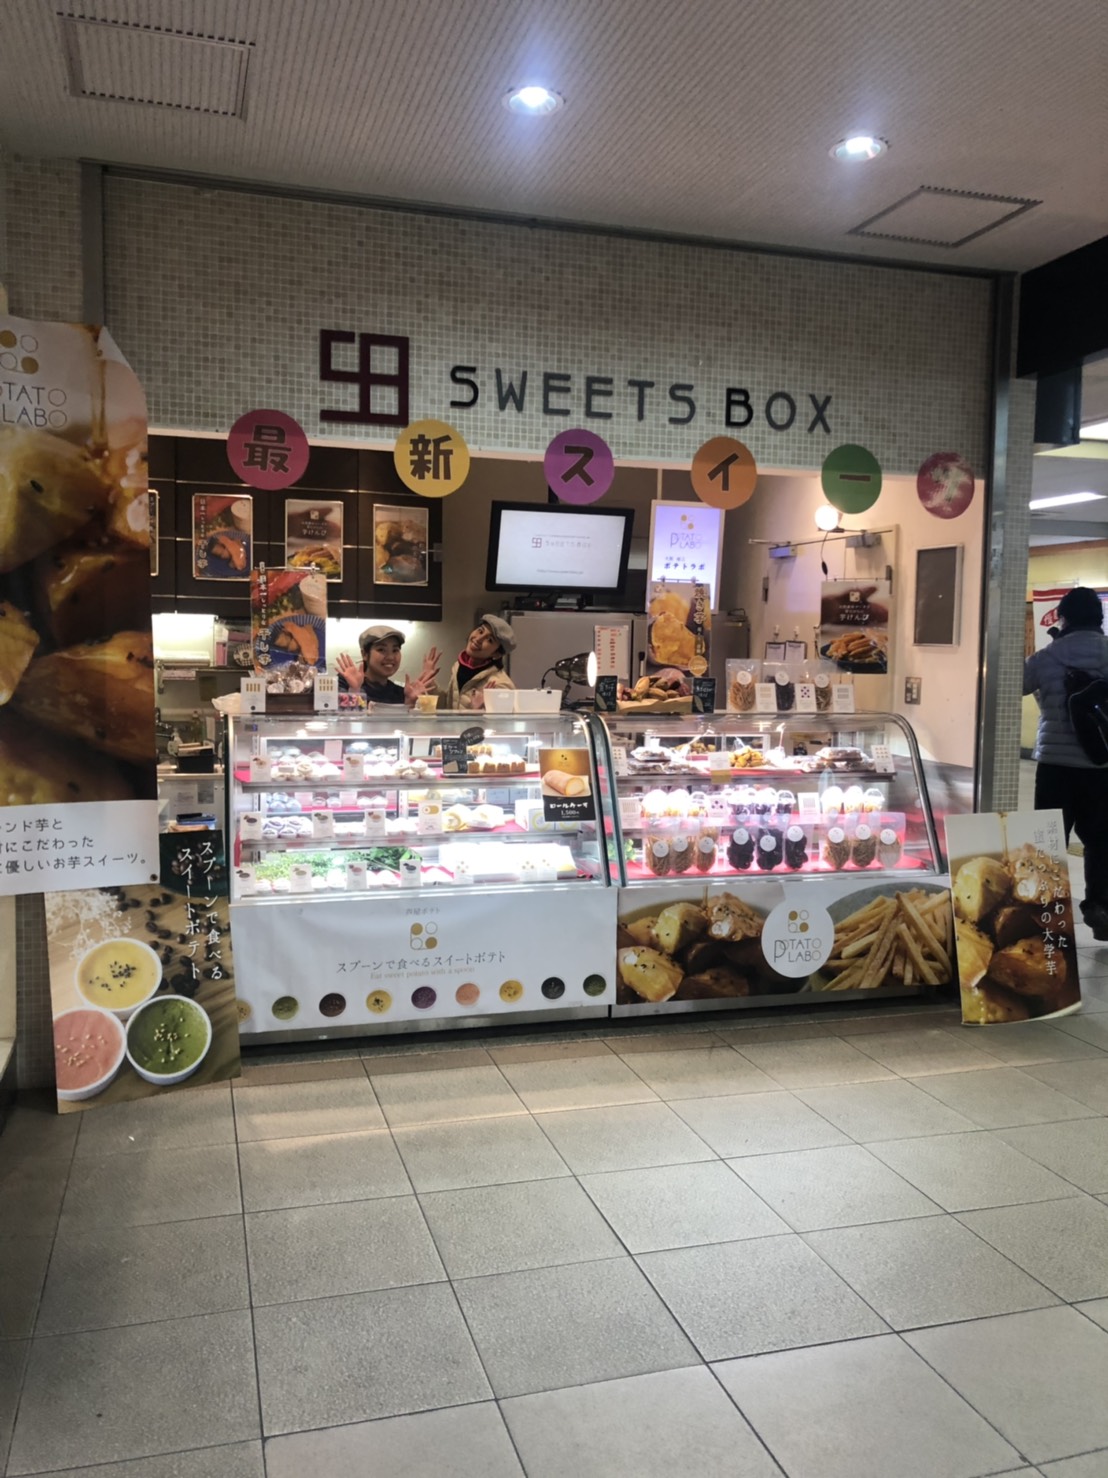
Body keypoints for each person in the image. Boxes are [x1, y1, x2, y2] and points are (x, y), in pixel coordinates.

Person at [1023, 586, 1108, 939]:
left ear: (1064, 617)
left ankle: (1047, 920)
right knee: (1101, 841)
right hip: (1101, 766)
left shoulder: (1047, 657)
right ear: (1099, 618)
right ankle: (1100, 907)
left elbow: (1014, 684)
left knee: (1048, 843)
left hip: (1055, 766)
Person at [336, 625, 440, 707]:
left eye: (395, 650)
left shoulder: (400, 693)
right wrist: (354, 690)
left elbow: (401, 726)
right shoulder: (344, 682)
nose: (390, 657)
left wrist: (410, 702)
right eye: (381, 649)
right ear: (365, 654)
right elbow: (343, 722)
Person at [444, 614, 516, 710]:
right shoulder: (458, 667)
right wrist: (431, 686)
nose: (478, 639)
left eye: (489, 640)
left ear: (497, 654)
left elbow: (504, 719)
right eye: (480, 631)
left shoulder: (500, 685)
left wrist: (478, 712)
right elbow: (448, 708)